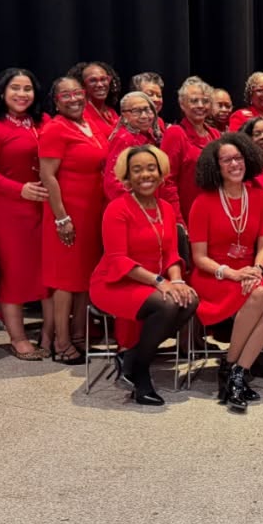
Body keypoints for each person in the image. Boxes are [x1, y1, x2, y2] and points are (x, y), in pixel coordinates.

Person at [90, 146, 199, 406]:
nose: (145, 175)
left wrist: (178, 281)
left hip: (150, 281)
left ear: (161, 173)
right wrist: (161, 282)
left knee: (189, 299)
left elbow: (172, 254)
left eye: (151, 168)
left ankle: (132, 357)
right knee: (168, 303)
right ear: (127, 178)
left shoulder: (166, 208)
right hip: (114, 282)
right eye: (136, 170)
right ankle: (140, 372)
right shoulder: (117, 209)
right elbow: (119, 259)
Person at [187, 134, 263, 412]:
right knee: (258, 296)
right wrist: (232, 274)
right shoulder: (203, 202)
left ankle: (236, 371)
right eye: (227, 160)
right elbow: (199, 258)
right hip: (215, 275)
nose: (235, 164)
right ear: (215, 166)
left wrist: (256, 269)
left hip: (249, 271)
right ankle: (232, 368)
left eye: (238, 158)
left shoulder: (260, 198)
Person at [0, 68, 53, 359]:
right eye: (15, 88)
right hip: (9, 209)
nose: (22, 94)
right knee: (14, 274)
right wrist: (20, 189)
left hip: (45, 207)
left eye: (27, 88)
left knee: (49, 273)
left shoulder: (43, 122)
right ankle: (17, 338)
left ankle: (48, 335)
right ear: (2, 93)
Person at [39, 76, 108, 364]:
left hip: (92, 211)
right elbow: (47, 176)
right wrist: (61, 218)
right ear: (56, 101)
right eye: (65, 95)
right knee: (65, 281)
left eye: (77, 93)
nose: (74, 99)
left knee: (84, 278)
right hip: (67, 212)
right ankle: (61, 341)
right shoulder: (55, 129)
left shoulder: (89, 125)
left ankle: (80, 335)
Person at [103, 91, 180, 217]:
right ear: (124, 115)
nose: (144, 116)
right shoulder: (124, 139)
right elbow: (112, 183)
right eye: (136, 111)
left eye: (148, 110)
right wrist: (138, 208)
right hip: (131, 211)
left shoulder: (152, 134)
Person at [162, 77, 219, 223]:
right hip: (188, 215)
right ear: (182, 104)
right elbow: (167, 181)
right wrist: (178, 222)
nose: (200, 105)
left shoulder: (215, 134)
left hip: (215, 212)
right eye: (194, 101)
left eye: (205, 101)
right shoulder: (175, 133)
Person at [68, 60, 121, 141]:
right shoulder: (81, 114)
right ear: (82, 85)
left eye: (103, 79)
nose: (100, 84)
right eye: (93, 80)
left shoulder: (112, 112)